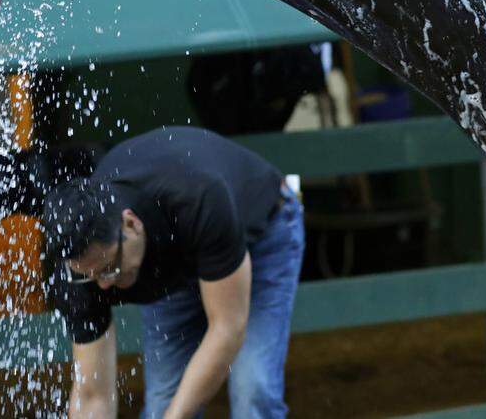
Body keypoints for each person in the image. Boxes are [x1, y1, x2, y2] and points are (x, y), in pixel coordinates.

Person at [42, 126, 304, 419]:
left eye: (109, 269)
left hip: (260, 236)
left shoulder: (199, 197)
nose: (104, 285)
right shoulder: (78, 269)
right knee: (161, 406)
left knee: (253, 389)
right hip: (171, 264)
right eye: (91, 276)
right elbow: (92, 396)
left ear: (131, 225)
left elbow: (227, 328)